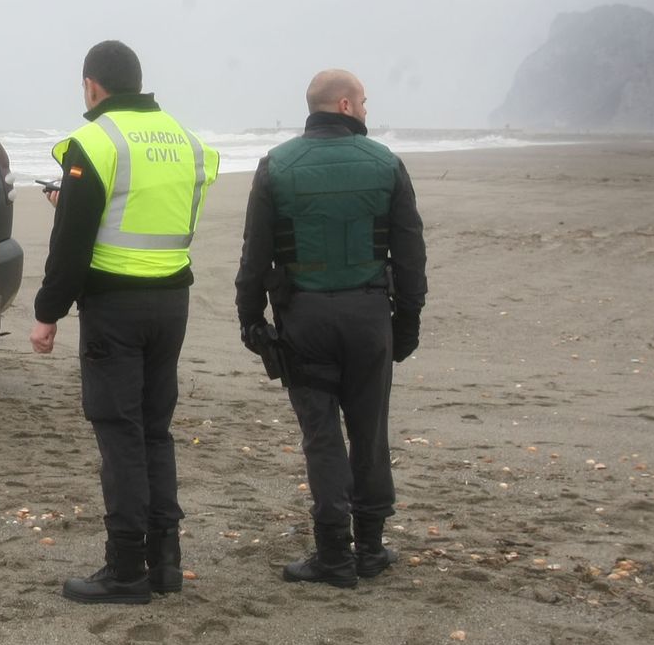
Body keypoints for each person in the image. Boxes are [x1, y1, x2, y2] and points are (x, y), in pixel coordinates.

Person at [31, 40, 219, 604]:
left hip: (115, 307)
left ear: (92, 86)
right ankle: (165, 562)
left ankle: (127, 569)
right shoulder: (187, 141)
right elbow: (150, 208)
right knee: (155, 430)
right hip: (172, 301)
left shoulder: (96, 140)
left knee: (119, 434)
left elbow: (72, 246)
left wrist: (47, 313)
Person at [234, 69, 427, 587]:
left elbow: (255, 254)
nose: (366, 108)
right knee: (370, 431)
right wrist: (407, 325)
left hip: (305, 319)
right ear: (344, 105)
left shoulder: (276, 165)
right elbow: (410, 256)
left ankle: (333, 555)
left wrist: (250, 320)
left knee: (321, 437)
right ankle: (371, 548)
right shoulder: (386, 163)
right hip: (369, 317)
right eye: (362, 101)